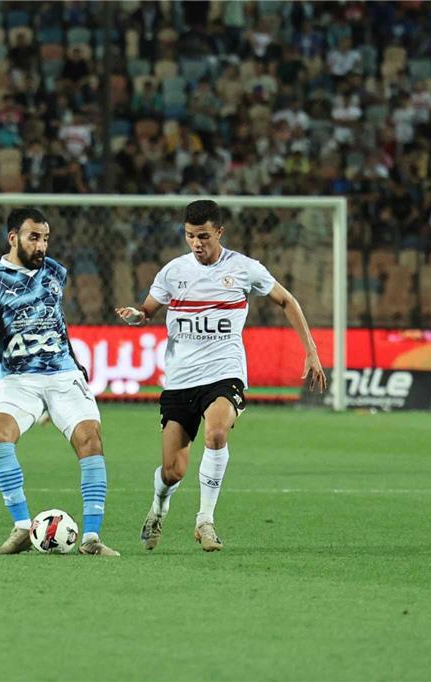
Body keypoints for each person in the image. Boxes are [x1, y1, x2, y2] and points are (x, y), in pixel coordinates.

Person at [115, 200, 327, 552]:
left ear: (219, 233)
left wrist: (311, 350)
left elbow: (287, 300)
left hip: (224, 373)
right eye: (189, 236)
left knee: (216, 434)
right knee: (172, 471)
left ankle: (205, 520)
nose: (196, 243)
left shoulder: (244, 268)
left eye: (203, 236)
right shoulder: (173, 272)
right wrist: (136, 316)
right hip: (181, 379)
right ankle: (158, 508)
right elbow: (148, 310)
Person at [0, 208, 118, 556]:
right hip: (17, 378)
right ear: (13, 238)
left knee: (90, 440)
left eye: (45, 238)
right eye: (34, 237)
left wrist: (75, 364)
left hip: (62, 374)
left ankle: (91, 538)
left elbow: (57, 320)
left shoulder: (55, 272)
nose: (42, 246)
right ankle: (21, 526)